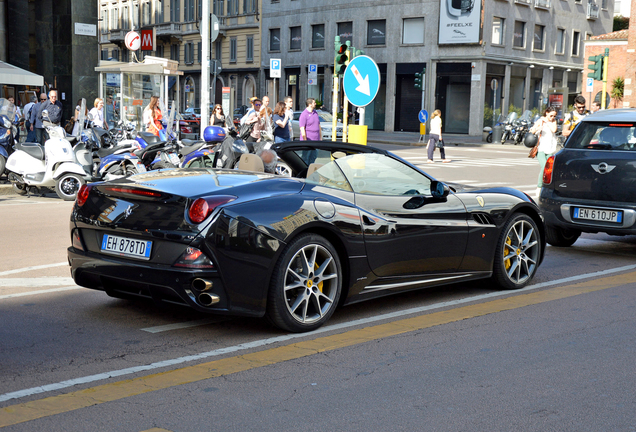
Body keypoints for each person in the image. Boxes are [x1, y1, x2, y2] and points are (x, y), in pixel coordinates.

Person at [530, 106, 558, 197]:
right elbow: (532, 131)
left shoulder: (553, 122)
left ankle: (547, 187)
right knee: (544, 167)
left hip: (550, 148)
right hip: (541, 148)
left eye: (554, 116)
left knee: (549, 170)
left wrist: (548, 122)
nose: (552, 118)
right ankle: (539, 187)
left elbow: (554, 130)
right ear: (546, 113)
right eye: (551, 115)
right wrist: (538, 128)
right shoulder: (540, 120)